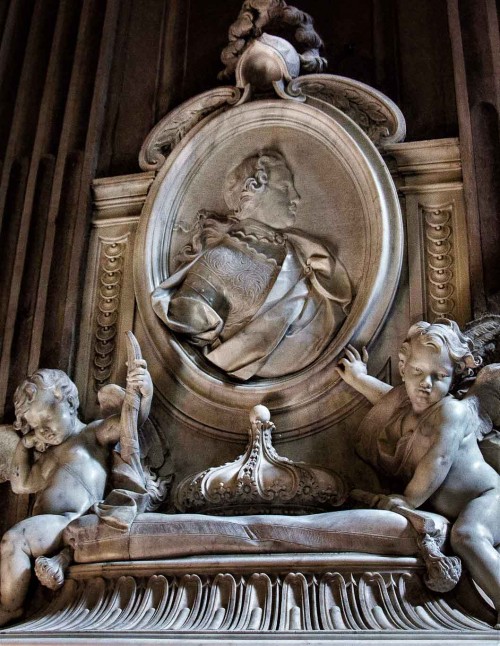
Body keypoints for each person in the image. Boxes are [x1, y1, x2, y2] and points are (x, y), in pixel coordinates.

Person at [336, 319, 500, 627]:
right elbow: (389, 398)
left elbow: (437, 462)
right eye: (417, 372)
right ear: (403, 367)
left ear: (454, 378)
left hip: (488, 498)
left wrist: (409, 501)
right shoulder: (409, 407)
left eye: (439, 376)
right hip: (459, 507)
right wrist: (358, 379)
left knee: (468, 535)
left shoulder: (452, 412)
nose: (426, 383)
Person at [152, 150, 352, 381]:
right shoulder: (218, 261)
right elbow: (190, 324)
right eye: (285, 188)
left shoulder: (304, 251)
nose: (296, 197)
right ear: (253, 191)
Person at [0, 360, 152, 626]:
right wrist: (24, 445)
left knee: (14, 540)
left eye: (46, 419)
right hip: (50, 526)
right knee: (13, 542)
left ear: (67, 402)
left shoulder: (91, 434)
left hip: (71, 520)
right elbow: (20, 484)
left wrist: (143, 392)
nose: (42, 431)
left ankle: (9, 608)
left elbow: (131, 421)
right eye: (35, 428)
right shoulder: (46, 460)